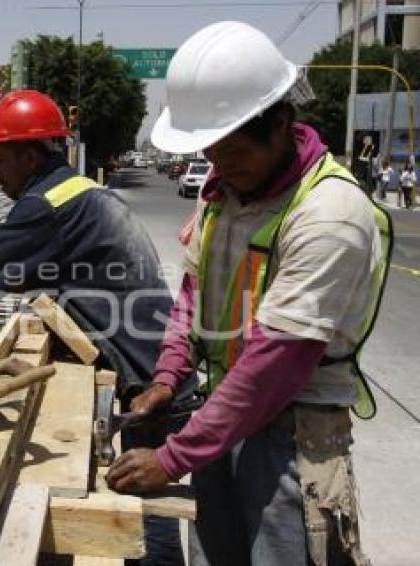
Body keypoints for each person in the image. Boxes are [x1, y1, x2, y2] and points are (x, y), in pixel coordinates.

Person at [106, 21, 392, 566]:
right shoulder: (224, 196)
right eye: (211, 153)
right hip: (220, 423)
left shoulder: (329, 214)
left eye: (232, 151)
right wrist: (168, 377)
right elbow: (194, 294)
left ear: (280, 123)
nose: (220, 167)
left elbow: (274, 365)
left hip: (290, 442)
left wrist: (172, 458)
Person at [0, 89, 188, 565]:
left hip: (151, 378)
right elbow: (22, 267)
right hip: (158, 357)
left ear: (29, 155)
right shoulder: (76, 190)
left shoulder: (47, 205)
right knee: (144, 505)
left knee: (145, 518)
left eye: (0, 159)